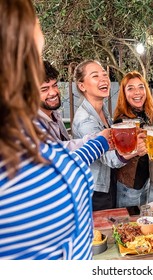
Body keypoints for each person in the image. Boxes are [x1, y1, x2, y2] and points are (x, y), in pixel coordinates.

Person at [0, 0, 113, 260]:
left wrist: (101, 141)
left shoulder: (27, 125)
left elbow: (59, 152)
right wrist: (104, 144)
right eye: (33, 55)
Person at [72, 60, 146, 211]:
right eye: (95, 76)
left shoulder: (103, 109)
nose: (103, 78)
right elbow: (109, 159)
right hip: (96, 191)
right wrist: (135, 149)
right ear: (82, 86)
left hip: (108, 183)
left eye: (104, 74)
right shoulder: (85, 120)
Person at [113, 71, 153, 207]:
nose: (137, 92)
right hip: (129, 187)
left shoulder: (148, 116)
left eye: (141, 87)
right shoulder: (122, 122)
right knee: (130, 225)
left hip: (145, 183)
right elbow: (118, 155)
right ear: (124, 94)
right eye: (130, 88)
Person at [38, 60, 95, 150]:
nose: (53, 92)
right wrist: (98, 140)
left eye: (55, 85)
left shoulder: (54, 114)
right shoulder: (30, 123)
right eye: (44, 89)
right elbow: (54, 151)